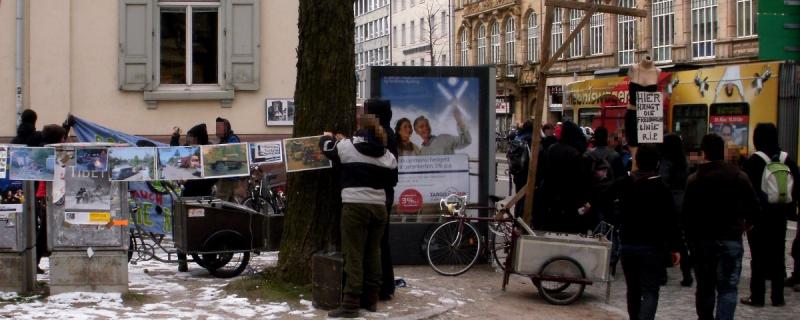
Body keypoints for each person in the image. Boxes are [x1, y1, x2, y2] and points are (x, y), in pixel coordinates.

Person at [321, 117, 397, 318]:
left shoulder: (347, 147)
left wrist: (327, 137)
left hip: (355, 207)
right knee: (373, 253)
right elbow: (392, 179)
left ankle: (351, 304)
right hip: (379, 208)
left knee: (353, 254)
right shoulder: (387, 154)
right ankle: (371, 299)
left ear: (360, 129)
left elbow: (328, 149)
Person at [682, 133, 759, 320]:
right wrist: (747, 223)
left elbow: (686, 215)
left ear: (703, 152)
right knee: (728, 289)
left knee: (705, 288)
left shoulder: (694, 179)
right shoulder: (739, 176)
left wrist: (689, 240)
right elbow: (754, 208)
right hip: (730, 239)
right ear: (723, 151)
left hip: (703, 242)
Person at [618, 144, 682, 320]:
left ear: (637, 162)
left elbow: (606, 195)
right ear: (657, 163)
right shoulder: (661, 188)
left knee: (633, 290)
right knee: (650, 291)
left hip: (628, 244)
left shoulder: (626, 183)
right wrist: (676, 247)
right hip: (652, 247)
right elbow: (672, 221)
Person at [740, 123, 799, 307]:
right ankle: (778, 297)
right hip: (780, 215)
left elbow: (746, 191)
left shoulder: (753, 162)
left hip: (759, 217)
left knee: (757, 257)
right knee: (778, 256)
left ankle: (757, 296)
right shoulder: (787, 159)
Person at [365, 99, 399, 302]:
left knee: (377, 242)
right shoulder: (386, 131)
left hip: (381, 193)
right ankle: (386, 284)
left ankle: (383, 286)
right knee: (381, 241)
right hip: (385, 192)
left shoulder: (382, 134)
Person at [171, 123, 217, 272]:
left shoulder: (208, 152)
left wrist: (195, 179)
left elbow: (214, 174)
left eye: (190, 137)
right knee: (182, 226)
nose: (188, 139)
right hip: (189, 194)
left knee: (204, 227)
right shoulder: (189, 150)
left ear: (197, 138)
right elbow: (174, 153)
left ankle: (210, 259)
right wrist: (174, 138)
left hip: (203, 194)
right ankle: (182, 260)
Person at [537, 121, 592, 233]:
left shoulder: (551, 149)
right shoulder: (575, 154)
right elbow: (581, 181)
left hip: (550, 200)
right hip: (570, 203)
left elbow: (542, 172)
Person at [659, 133, 693, 287]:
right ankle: (687, 275)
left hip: (668, 201)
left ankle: (662, 274)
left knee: (663, 238)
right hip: (683, 200)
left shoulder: (666, 161)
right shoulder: (683, 160)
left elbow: (663, 180)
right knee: (681, 240)